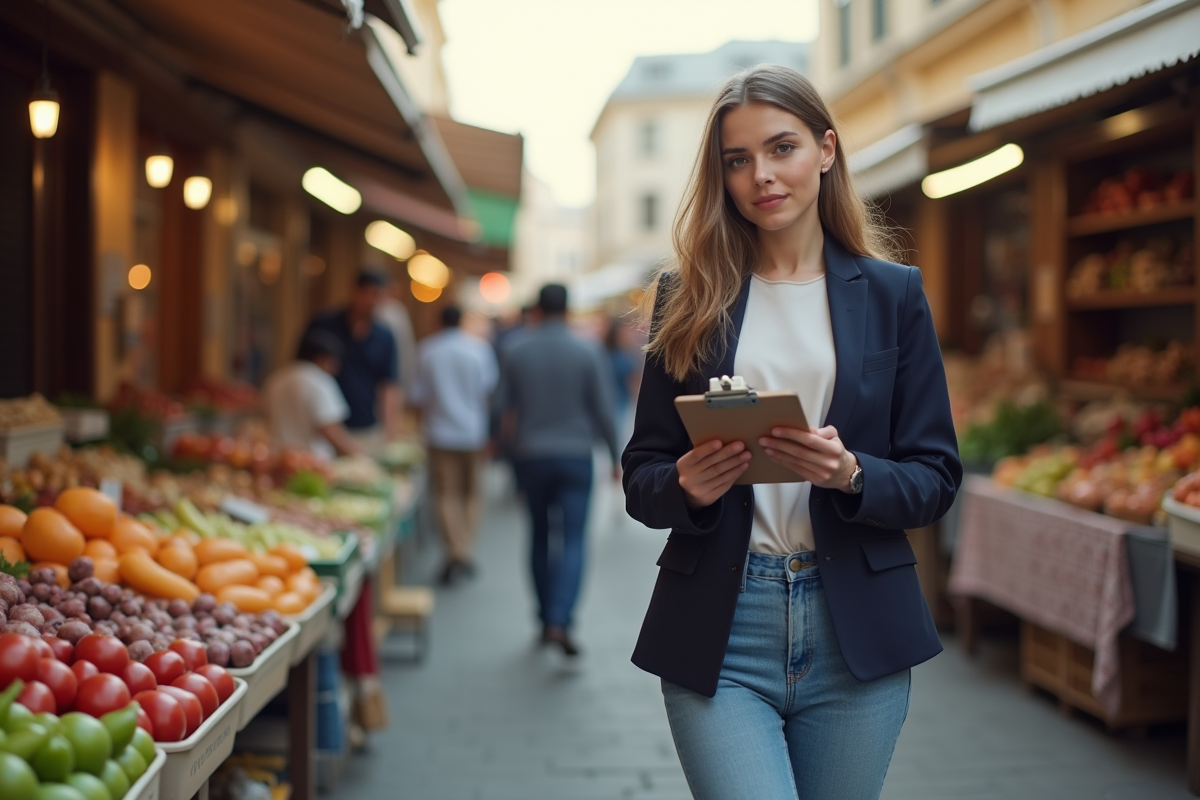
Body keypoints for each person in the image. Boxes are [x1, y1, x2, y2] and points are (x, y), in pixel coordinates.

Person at [621, 65, 962, 800]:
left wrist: (853, 474)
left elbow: (936, 477)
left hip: (855, 630)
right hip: (722, 621)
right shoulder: (689, 295)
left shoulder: (893, 295)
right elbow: (642, 471)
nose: (760, 176)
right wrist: (684, 486)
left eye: (782, 149)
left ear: (827, 150)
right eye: (736, 160)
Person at [498, 284, 620, 656]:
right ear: (567, 309)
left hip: (531, 455)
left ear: (536, 309)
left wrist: (507, 457)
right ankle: (560, 619)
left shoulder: (515, 350)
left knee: (538, 535)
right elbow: (604, 408)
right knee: (573, 539)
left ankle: (542, 616)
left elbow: (502, 409)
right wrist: (616, 457)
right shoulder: (588, 350)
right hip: (575, 455)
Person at [409, 305, 499, 585]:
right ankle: (464, 550)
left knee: (446, 493)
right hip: (472, 431)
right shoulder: (478, 349)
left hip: (439, 433)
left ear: (439, 321)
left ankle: (454, 551)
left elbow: (417, 396)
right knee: (471, 493)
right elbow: (488, 392)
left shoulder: (427, 350)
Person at [304, 269, 400, 448]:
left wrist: (390, 433)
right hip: (321, 427)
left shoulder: (385, 336)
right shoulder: (323, 324)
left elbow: (388, 386)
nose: (372, 301)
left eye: (378, 296)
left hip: (365, 426)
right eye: (368, 294)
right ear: (354, 291)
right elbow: (303, 372)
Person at [262, 330, 360, 459]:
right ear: (321, 358)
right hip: (312, 462)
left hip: (279, 459)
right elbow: (329, 428)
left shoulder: (275, 379)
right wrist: (357, 454)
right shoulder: (319, 380)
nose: (335, 369)